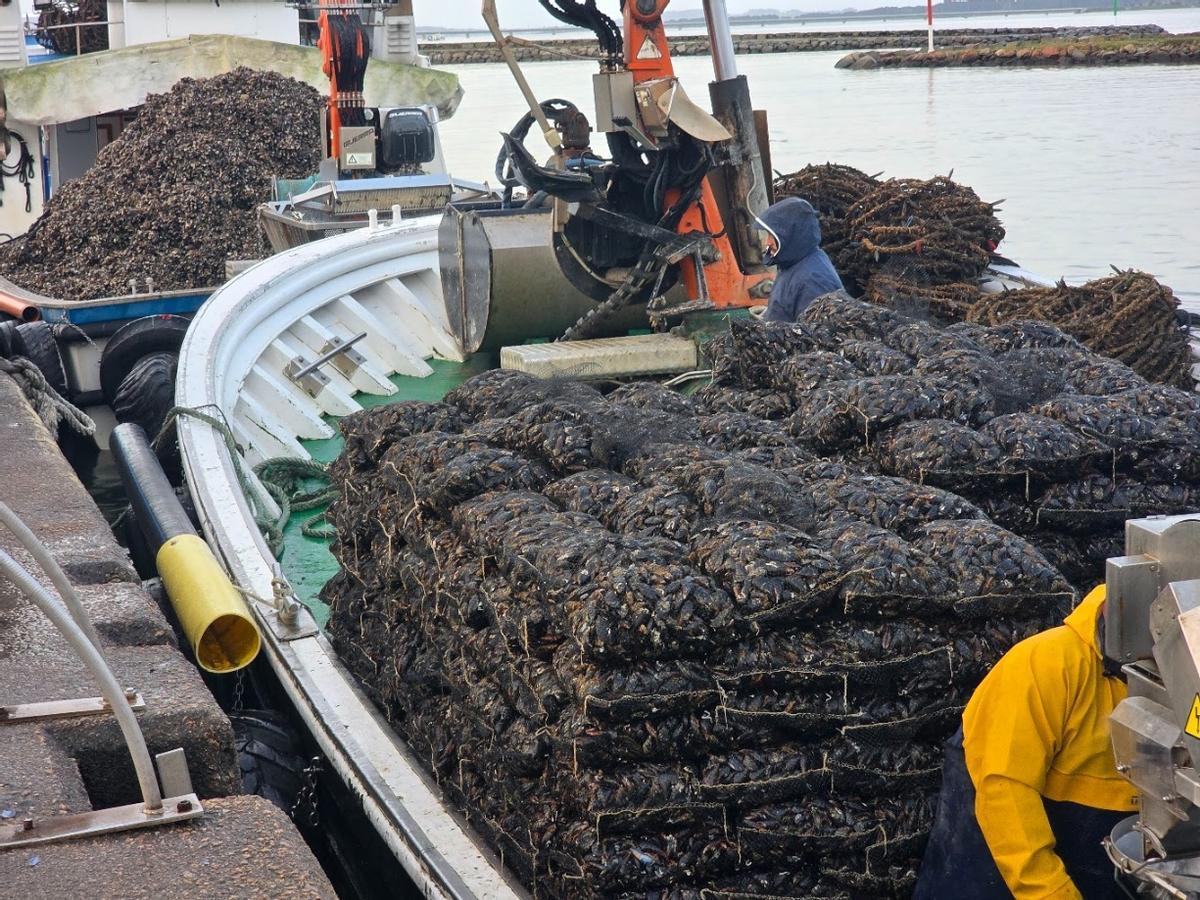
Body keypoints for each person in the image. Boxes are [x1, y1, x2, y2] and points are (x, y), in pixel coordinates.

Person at [914, 585, 1138, 900]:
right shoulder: (1046, 664)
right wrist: (1051, 893)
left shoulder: (1180, 681)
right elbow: (1005, 792)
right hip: (996, 866)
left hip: (1098, 861)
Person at [755, 197, 844, 323]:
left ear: (791, 234)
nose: (767, 242)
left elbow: (814, 332)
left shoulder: (813, 281)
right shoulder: (791, 264)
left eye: (772, 235)